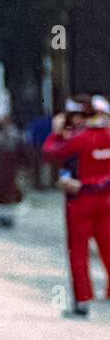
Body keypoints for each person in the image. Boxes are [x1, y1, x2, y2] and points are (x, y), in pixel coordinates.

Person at [42, 97, 110, 318]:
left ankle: (82, 302)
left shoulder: (80, 139)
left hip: (80, 202)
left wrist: (56, 132)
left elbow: (50, 152)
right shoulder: (107, 135)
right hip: (105, 201)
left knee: (79, 253)